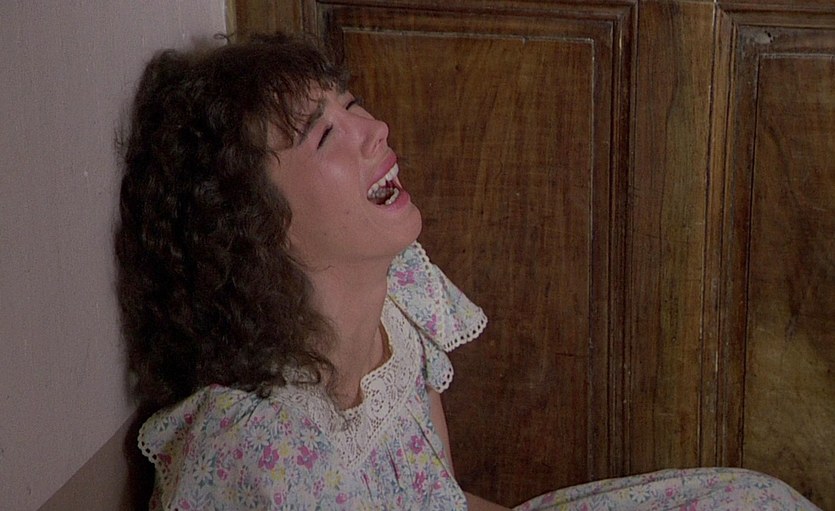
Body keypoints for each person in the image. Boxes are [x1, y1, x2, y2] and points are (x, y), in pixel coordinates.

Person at [116, 33, 820, 510]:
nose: (374, 129)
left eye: (350, 104)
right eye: (326, 133)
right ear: (253, 222)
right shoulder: (253, 456)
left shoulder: (402, 299)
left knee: (756, 502)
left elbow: (444, 497)